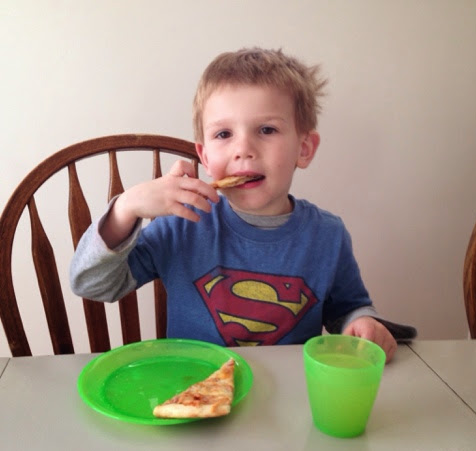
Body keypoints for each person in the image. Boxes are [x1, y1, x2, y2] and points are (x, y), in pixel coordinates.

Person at [70, 47, 403, 362]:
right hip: (193, 388)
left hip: (289, 391)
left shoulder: (327, 235)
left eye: (267, 129)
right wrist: (125, 208)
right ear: (204, 156)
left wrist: (362, 323)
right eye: (223, 134)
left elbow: (348, 310)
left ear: (304, 149)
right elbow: (91, 284)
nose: (243, 149)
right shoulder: (183, 223)